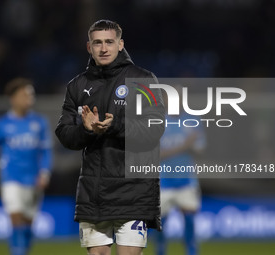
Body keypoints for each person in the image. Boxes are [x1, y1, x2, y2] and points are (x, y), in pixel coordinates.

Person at [55, 20, 165, 255]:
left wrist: (115, 126)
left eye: (109, 42)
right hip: (94, 191)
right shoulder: (77, 86)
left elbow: (155, 128)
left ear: (120, 44)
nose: (103, 48)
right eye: (97, 43)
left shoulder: (145, 80)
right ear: (89, 47)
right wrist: (86, 131)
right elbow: (64, 134)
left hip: (134, 189)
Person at [0, 77, 53, 255]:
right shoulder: (1, 124)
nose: (30, 99)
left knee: (28, 226)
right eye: (25, 95)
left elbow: (46, 152)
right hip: (11, 178)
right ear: (13, 98)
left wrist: (45, 173)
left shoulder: (40, 123)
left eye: (31, 95)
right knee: (16, 219)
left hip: (34, 179)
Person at [156, 92, 206, 255]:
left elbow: (200, 149)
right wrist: (185, 145)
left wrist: (192, 146)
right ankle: (161, 250)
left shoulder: (192, 120)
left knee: (190, 218)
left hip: (186, 179)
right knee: (160, 223)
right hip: (164, 181)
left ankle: (191, 251)